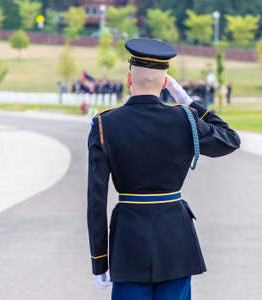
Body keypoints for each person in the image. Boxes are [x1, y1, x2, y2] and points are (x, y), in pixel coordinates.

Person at [87, 38, 241, 300]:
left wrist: (99, 260)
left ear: (129, 79)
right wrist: (191, 102)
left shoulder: (104, 125)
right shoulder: (186, 119)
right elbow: (230, 140)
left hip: (129, 243)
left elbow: (96, 201)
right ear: (166, 83)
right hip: (176, 244)